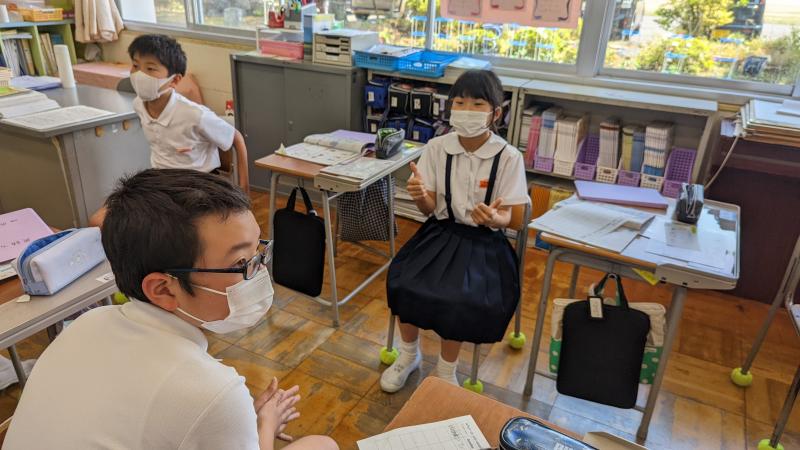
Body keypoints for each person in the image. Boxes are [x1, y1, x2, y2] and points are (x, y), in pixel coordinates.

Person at [3, 169, 338, 450]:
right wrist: (264, 424)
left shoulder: (88, 322)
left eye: (258, 253)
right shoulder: (214, 391)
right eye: (241, 263)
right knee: (321, 445)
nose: (260, 271)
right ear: (163, 289)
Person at [381, 70, 529, 393]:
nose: (466, 110)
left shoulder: (508, 157)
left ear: (495, 113)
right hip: (440, 233)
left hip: (485, 243)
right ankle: (409, 354)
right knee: (403, 281)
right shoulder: (437, 147)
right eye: (459, 102)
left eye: (477, 104)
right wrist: (420, 195)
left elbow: (516, 219)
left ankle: (446, 370)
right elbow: (429, 209)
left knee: (460, 298)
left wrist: (496, 218)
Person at [89, 34, 249, 227]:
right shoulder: (139, 104)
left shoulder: (194, 114)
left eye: (150, 68)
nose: (140, 75)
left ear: (174, 80)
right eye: (136, 66)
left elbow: (236, 138)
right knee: (98, 221)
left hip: (197, 185)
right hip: (160, 181)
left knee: (158, 229)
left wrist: (244, 188)